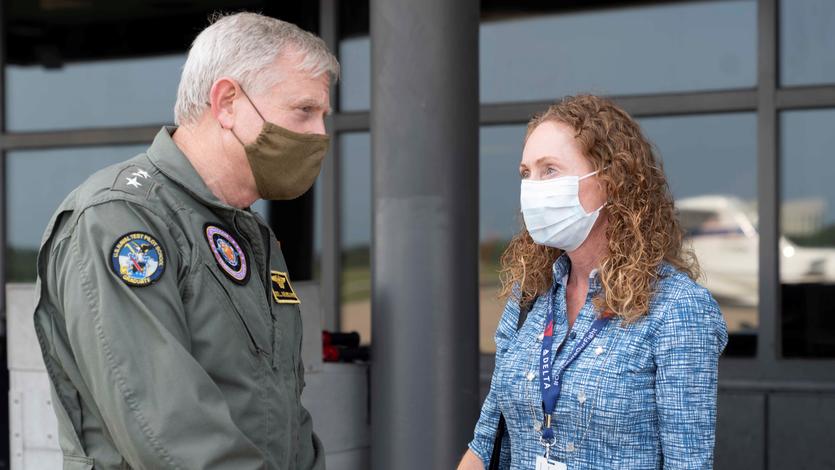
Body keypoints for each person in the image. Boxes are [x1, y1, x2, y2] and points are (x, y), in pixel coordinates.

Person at [32, 12, 338, 469]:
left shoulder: (246, 232)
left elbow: (283, 414)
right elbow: (172, 437)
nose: (320, 134)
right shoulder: (120, 219)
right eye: (304, 111)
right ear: (228, 102)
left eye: (322, 116)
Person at [458, 95, 728, 469]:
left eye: (549, 170)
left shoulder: (676, 308)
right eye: (526, 173)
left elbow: (688, 463)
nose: (533, 188)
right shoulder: (530, 294)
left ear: (610, 180)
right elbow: (487, 442)